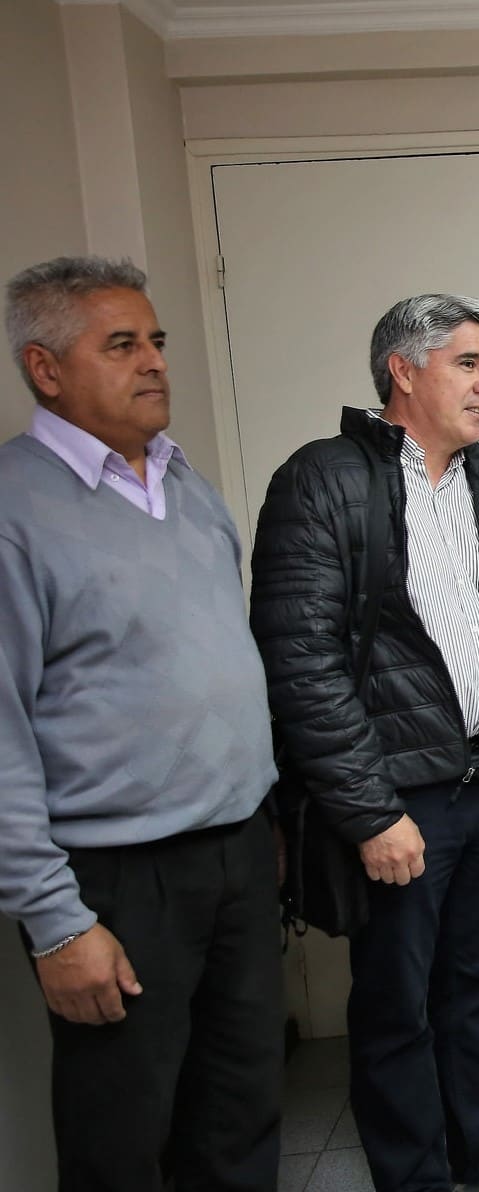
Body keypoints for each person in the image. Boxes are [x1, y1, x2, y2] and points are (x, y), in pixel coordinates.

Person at [250, 294, 479, 1192]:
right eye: (469, 366)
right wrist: (369, 813)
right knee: (398, 1006)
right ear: (404, 371)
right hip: (401, 806)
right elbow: (300, 665)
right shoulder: (324, 481)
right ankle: (417, 1178)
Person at [0, 256, 283, 1191]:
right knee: (122, 1130)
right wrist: (53, 921)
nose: (154, 361)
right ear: (46, 369)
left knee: (241, 1105)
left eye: (156, 340)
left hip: (236, 854)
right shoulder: (15, 509)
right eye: (121, 344)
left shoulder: (187, 485)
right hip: (116, 881)